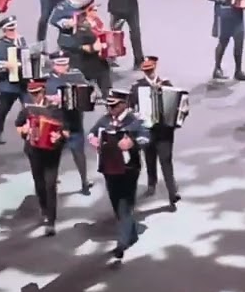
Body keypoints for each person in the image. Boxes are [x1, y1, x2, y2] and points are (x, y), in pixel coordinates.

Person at [88, 90, 150, 263]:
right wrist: (93, 139)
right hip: (108, 167)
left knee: (125, 203)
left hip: (129, 169)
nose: (110, 108)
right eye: (109, 105)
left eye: (114, 105)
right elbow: (92, 133)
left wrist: (133, 142)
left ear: (124, 104)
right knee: (116, 202)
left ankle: (122, 243)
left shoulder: (134, 120)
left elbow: (146, 137)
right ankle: (130, 233)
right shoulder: (105, 120)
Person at [16, 80, 66, 236]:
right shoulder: (28, 110)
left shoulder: (55, 109)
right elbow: (18, 124)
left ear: (43, 92)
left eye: (37, 93)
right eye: (32, 94)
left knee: (50, 184)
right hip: (33, 151)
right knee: (39, 183)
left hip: (52, 151)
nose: (35, 97)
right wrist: (24, 131)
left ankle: (51, 221)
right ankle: (44, 209)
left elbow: (66, 129)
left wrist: (59, 136)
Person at [131, 57, 180, 206]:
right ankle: (152, 182)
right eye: (146, 70)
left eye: (151, 69)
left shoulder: (166, 84)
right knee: (150, 158)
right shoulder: (137, 88)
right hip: (147, 130)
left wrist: (179, 116)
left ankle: (172, 192)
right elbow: (131, 106)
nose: (149, 72)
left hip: (164, 130)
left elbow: (178, 103)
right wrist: (136, 116)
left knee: (166, 161)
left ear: (155, 68)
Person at [45, 52, 93, 195]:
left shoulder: (76, 75)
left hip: (74, 121)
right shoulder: (46, 79)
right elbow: (39, 97)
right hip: (56, 123)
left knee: (79, 153)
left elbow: (88, 90)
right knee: (52, 155)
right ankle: (52, 180)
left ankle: (84, 181)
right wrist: (52, 100)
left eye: (65, 64)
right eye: (60, 64)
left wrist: (89, 95)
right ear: (53, 65)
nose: (63, 67)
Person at [0, 15, 30, 144]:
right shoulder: (1, 45)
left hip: (24, 83)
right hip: (9, 85)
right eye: (10, 30)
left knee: (29, 108)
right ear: (5, 31)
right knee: (4, 109)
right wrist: (6, 65)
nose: (14, 32)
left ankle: (29, 135)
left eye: (14, 29)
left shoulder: (21, 40)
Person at [62, 0, 113, 95]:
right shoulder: (80, 26)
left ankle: (107, 94)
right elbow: (81, 46)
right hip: (83, 62)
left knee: (104, 67)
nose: (96, 12)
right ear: (87, 11)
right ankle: (105, 94)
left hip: (94, 59)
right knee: (103, 70)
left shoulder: (95, 22)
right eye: (94, 10)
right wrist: (95, 47)